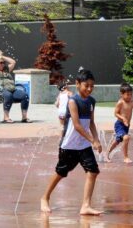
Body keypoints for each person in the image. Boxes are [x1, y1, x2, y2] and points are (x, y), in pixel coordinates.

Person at [40, 69, 103, 215]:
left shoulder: (92, 101)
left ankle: (86, 205)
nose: (89, 89)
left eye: (92, 86)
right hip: (69, 145)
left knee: (93, 171)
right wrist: (92, 140)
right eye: (86, 85)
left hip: (84, 145)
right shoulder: (73, 101)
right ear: (77, 84)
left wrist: (97, 139)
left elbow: (91, 123)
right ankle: (45, 197)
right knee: (61, 172)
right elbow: (77, 125)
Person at [105, 83, 133, 163]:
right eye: (127, 94)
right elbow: (115, 113)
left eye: (131, 94)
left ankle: (107, 153)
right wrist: (123, 118)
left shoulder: (132, 102)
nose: (129, 96)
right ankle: (126, 157)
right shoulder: (120, 102)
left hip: (126, 126)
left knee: (117, 141)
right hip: (119, 124)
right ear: (122, 94)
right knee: (126, 138)